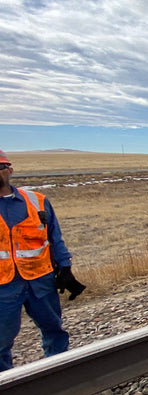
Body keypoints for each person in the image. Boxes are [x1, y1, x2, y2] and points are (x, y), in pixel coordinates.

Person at [0, 150, 85, 371]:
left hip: (41, 281)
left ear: (9, 171)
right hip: (3, 286)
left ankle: (56, 375)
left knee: (54, 329)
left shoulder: (37, 201)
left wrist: (65, 269)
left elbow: (54, 237)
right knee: (1, 341)